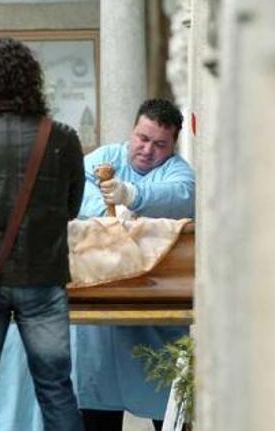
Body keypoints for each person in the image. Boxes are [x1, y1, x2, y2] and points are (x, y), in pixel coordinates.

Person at [0, 37, 85, 431]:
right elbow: (71, 206)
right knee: (56, 388)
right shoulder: (61, 137)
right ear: (33, 81)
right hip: (43, 276)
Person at [75, 98, 195, 430]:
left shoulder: (177, 170)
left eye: (159, 144)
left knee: (166, 410)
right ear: (131, 131)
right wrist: (105, 213)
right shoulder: (105, 158)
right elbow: (73, 188)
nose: (147, 149)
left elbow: (183, 194)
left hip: (155, 314)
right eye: (142, 138)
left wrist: (132, 196)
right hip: (99, 317)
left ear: (172, 147)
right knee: (96, 414)